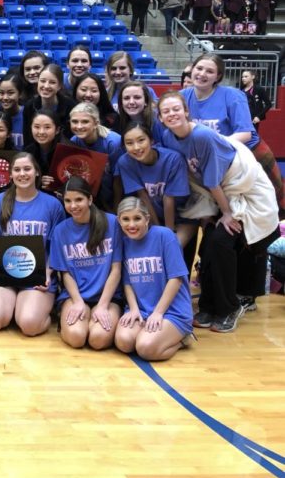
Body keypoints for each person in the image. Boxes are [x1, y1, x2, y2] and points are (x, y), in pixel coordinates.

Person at [157, 91, 278, 331]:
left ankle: (229, 307)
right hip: (217, 194)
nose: (172, 114)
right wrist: (208, 211)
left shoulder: (202, 136)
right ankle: (208, 305)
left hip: (243, 192)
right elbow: (196, 178)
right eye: (166, 111)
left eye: (176, 109)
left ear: (186, 111)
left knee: (220, 241)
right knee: (210, 243)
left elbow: (213, 181)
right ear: (160, 118)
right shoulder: (168, 136)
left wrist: (226, 213)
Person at [182, 54, 284, 211]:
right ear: (192, 70)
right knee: (233, 208)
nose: (202, 74)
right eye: (199, 68)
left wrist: (213, 146)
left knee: (276, 199)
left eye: (209, 71)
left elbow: (245, 134)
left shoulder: (233, 95)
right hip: (215, 160)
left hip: (250, 152)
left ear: (218, 76)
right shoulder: (182, 98)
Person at [0, 152, 66, 336]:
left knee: (29, 325)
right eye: (17, 169)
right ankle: (14, 306)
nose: (22, 174)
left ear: (36, 172)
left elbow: (57, 247)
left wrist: (48, 274)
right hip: (6, 273)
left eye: (27, 168)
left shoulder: (53, 205)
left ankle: (38, 312)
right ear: (10, 174)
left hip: (38, 275)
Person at [114, 197, 194, 361]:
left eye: (137, 218)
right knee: (123, 342)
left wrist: (158, 313)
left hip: (171, 311)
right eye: (126, 219)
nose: (132, 225)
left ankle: (183, 339)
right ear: (119, 221)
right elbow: (127, 281)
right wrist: (134, 309)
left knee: (145, 348)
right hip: (142, 309)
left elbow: (176, 279)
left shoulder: (165, 236)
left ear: (147, 219)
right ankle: (154, 334)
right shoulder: (124, 242)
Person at [50, 176, 123, 350]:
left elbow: (116, 270)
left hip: (108, 297)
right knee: (76, 338)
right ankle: (80, 318)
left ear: (90, 199)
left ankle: (97, 319)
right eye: (67, 201)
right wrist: (78, 302)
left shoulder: (112, 223)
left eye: (79, 199)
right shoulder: (60, 231)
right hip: (75, 296)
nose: (73, 206)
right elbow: (65, 273)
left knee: (98, 340)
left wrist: (103, 305)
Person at [22, 64, 73, 147]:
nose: (46, 86)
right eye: (42, 81)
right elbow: (28, 140)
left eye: (52, 82)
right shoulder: (29, 106)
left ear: (59, 86)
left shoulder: (70, 106)